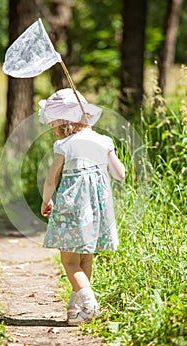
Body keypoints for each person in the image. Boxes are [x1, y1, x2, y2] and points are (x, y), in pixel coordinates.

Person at [39, 88, 125, 325]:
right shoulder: (104, 140)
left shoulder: (64, 145)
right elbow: (120, 173)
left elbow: (51, 179)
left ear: (63, 122)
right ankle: (75, 311)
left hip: (73, 208)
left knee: (69, 261)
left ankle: (89, 303)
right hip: (98, 210)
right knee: (86, 260)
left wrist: (47, 200)